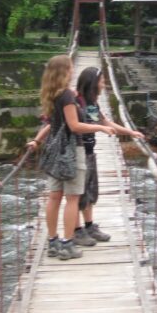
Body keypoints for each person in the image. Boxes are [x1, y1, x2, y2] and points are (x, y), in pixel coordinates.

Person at [27, 55, 115, 261]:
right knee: (73, 198)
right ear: (65, 71)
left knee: (54, 196)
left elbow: (52, 124)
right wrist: (101, 127)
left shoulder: (53, 95)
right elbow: (75, 126)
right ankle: (68, 242)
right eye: (70, 68)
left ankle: (53, 241)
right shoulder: (68, 96)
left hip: (54, 151)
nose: (72, 71)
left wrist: (37, 141)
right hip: (71, 151)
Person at [73, 66, 144, 245]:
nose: (104, 84)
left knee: (90, 190)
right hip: (76, 153)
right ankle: (76, 230)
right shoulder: (76, 102)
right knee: (76, 194)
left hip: (89, 152)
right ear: (93, 83)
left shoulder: (90, 104)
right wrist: (100, 128)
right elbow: (79, 126)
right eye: (102, 81)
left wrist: (130, 132)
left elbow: (104, 121)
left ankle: (89, 226)